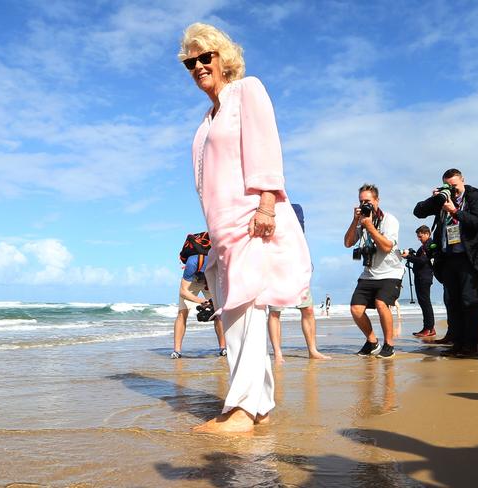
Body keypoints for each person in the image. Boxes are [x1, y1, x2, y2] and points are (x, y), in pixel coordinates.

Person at [179, 23, 312, 433]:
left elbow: (266, 145)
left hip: (251, 219)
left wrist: (267, 205)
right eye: (191, 61)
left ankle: (240, 411)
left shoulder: (246, 90)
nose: (199, 66)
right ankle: (260, 406)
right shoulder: (206, 119)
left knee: (246, 315)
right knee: (237, 314)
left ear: (223, 59)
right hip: (221, 231)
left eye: (206, 57)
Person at [414, 168, 478, 358]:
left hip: (468, 257)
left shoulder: (474, 198)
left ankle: (471, 344)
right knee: (453, 302)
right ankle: (457, 343)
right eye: (448, 186)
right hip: (447, 258)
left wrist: (455, 211)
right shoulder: (442, 200)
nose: (452, 190)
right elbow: (418, 212)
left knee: (469, 302)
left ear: (462, 181)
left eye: (454, 186)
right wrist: (436, 199)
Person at [344, 183, 404, 359]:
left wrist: (370, 227)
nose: (365, 205)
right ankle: (372, 342)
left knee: (381, 304)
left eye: (368, 201)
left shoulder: (389, 220)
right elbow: (348, 243)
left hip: (391, 272)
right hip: (369, 273)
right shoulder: (361, 220)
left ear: (377, 200)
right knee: (356, 309)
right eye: (361, 202)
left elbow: (386, 247)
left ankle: (389, 345)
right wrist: (356, 221)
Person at [267, 204, 331, 362]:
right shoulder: (267, 209)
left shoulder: (295, 208)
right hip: (274, 267)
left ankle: (312, 350)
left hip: (296, 265)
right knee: (275, 311)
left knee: (308, 309)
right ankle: (278, 353)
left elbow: (299, 235)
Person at [171, 253, 226, 359]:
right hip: (193, 281)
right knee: (182, 313)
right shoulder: (193, 262)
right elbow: (183, 292)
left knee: (218, 312)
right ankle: (176, 351)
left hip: (210, 282)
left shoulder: (222, 262)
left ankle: (223, 349)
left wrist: (214, 302)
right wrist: (201, 301)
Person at [401, 225, 436, 337]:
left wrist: (408, 257)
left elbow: (422, 261)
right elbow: (420, 259)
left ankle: (428, 328)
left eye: (420, 236)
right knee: (424, 303)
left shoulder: (430, 245)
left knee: (425, 303)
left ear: (427, 234)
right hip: (421, 276)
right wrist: (412, 255)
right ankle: (429, 328)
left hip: (424, 277)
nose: (419, 238)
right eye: (418, 237)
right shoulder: (425, 246)